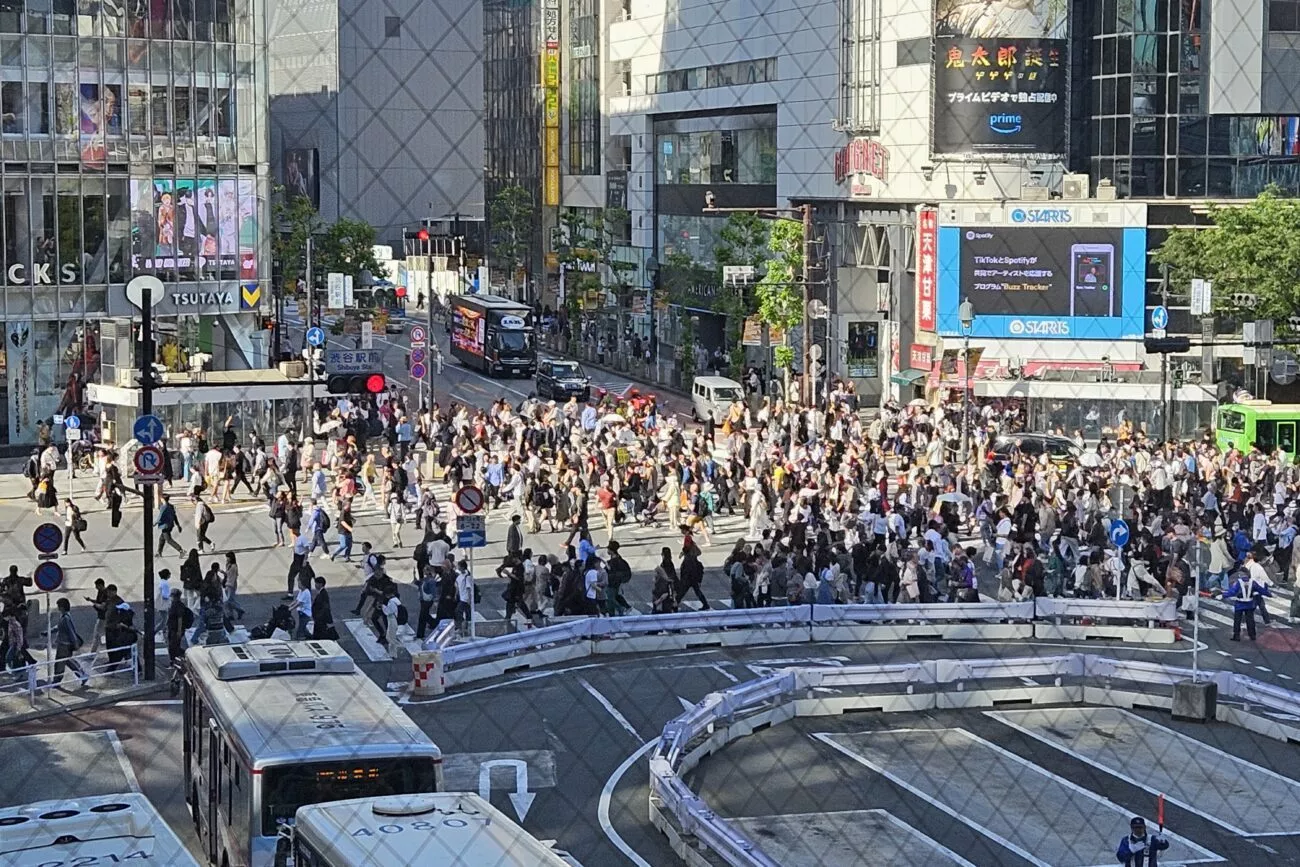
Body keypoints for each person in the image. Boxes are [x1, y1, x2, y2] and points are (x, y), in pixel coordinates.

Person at [50, 597, 88, 688]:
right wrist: (49, 631)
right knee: (67, 661)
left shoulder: (66, 618)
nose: (58, 608)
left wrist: (75, 643)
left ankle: (57, 681)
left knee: (60, 663)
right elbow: (58, 627)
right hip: (63, 644)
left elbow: (71, 632)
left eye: (59, 606)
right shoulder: (64, 617)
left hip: (64, 645)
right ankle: (82, 675)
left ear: (62, 607)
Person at [1226, 569, 1258, 642]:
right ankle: (1252, 635)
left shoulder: (1238, 582)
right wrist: (1269, 594)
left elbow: (1232, 592)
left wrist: (1223, 595)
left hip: (1239, 603)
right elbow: (1260, 589)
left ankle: (1236, 635)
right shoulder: (1252, 582)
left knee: (1237, 620)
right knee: (1250, 619)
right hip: (1249, 603)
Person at [222, 551, 244, 622]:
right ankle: (230, 615)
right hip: (227, 583)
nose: (227, 559)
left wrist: (230, 585)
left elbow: (233, 577)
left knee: (229, 600)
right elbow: (228, 574)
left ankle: (240, 609)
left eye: (228, 558)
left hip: (231, 584)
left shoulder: (234, 566)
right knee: (230, 600)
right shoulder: (228, 565)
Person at [311, 576, 335, 640]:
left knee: (320, 636)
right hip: (319, 619)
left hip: (321, 620)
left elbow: (326, 608)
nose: (315, 585)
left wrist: (318, 617)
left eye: (316, 583)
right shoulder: (321, 593)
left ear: (320, 584)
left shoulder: (323, 594)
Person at [289, 575, 313, 639]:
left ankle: (302, 638)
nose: (298, 585)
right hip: (301, 613)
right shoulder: (301, 591)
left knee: (300, 630)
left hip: (305, 614)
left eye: (299, 583)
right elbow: (296, 600)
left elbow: (298, 603)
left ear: (303, 584)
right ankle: (311, 637)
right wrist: (289, 606)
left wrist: (291, 609)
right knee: (303, 628)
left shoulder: (306, 592)